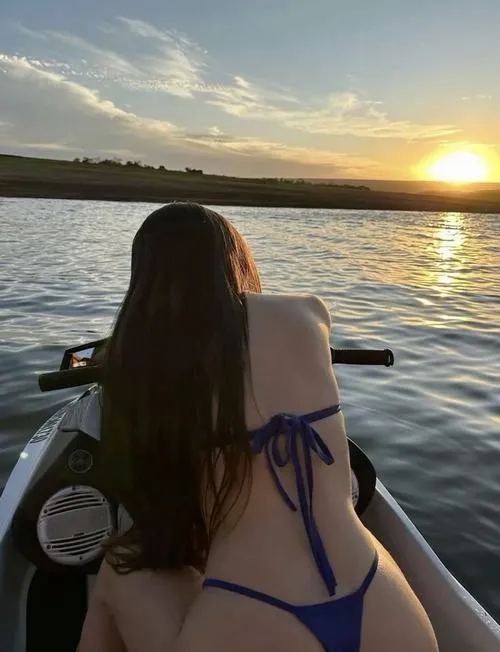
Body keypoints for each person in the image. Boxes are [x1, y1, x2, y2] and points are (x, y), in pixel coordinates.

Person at [78, 202, 438, 652]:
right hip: (387, 608)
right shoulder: (308, 312)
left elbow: (162, 518)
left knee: (120, 566)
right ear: (237, 261)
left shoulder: (147, 366)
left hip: (253, 613)